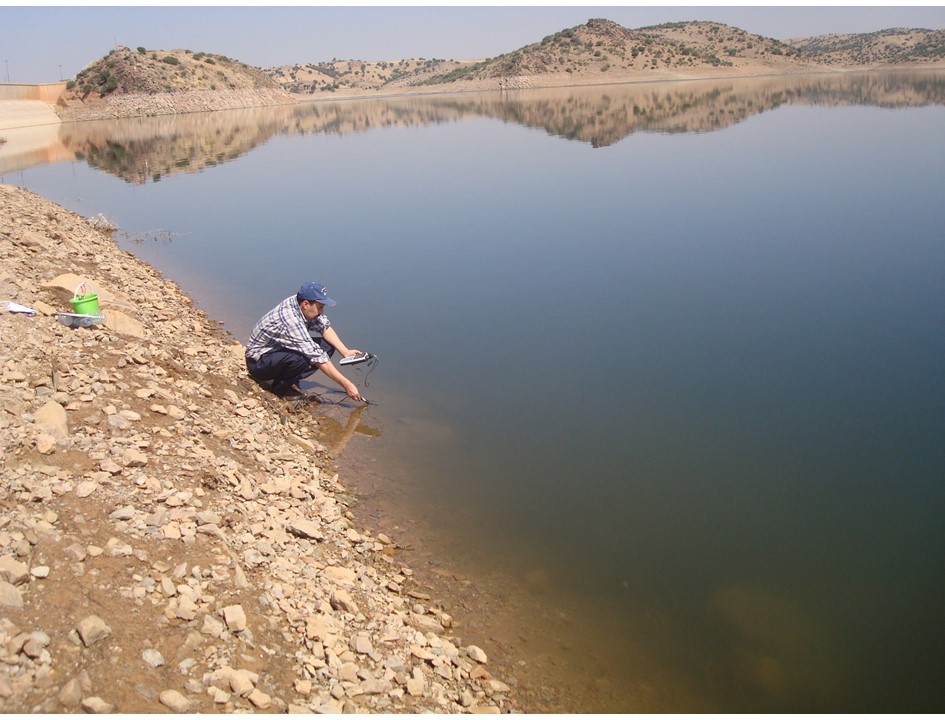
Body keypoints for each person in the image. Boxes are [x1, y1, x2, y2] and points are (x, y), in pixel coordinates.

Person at [245, 281, 363, 401]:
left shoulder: (299, 302)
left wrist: (345, 351)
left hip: (276, 351)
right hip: (258, 363)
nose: (322, 313)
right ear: (306, 304)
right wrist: (346, 384)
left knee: (327, 346)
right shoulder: (291, 320)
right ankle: (280, 389)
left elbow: (324, 327)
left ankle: (289, 379)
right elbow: (316, 356)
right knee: (302, 358)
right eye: (320, 308)